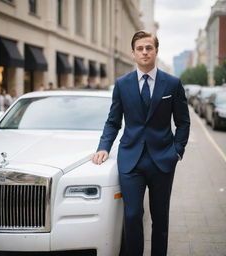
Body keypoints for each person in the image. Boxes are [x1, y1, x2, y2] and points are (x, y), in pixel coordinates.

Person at [92, 30, 190, 256]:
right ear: (133, 53)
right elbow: (113, 121)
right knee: (132, 215)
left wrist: (177, 151)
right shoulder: (122, 84)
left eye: (149, 48)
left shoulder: (172, 84)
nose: (145, 52)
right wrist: (103, 147)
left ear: (156, 51)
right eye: (140, 49)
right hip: (131, 161)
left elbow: (183, 122)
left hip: (163, 160)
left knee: (160, 218)